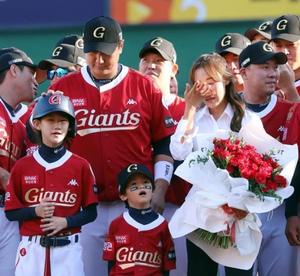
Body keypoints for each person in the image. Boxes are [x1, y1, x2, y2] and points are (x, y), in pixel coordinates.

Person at [47, 16, 175, 276]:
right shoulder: (63, 88)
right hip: (83, 206)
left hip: (134, 206)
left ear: (120, 46)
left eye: (105, 52)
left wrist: (160, 189)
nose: (99, 59)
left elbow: (163, 142)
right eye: (92, 52)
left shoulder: (144, 87)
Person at [170, 52, 259, 276]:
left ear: (227, 80)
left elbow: (261, 167)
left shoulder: (246, 118)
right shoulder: (196, 119)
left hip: (238, 214)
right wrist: (189, 110)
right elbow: (178, 152)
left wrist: (242, 204)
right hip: (201, 213)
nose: (207, 90)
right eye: (201, 85)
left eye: (212, 82)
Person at [4, 94, 98, 276]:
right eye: (50, 120)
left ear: (70, 125)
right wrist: (35, 211)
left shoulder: (81, 165)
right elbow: (10, 212)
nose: (57, 125)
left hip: (68, 248)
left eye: (63, 121)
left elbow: (91, 212)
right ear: (37, 124)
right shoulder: (23, 166)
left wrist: (66, 221)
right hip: (32, 250)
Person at [239, 41, 300, 276]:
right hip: (237, 211)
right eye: (264, 67)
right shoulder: (229, 109)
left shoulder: (290, 110)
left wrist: (292, 214)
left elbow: (297, 167)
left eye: (275, 67)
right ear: (244, 71)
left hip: (278, 211)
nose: (272, 73)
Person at [138, 36, 188, 276]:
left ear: (174, 69)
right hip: (137, 208)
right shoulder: (130, 109)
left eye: (159, 60)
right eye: (146, 60)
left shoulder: (187, 110)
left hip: (179, 208)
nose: (151, 65)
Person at [0, 47, 38, 276]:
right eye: (30, 72)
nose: (36, 80)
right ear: (13, 69)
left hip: (13, 214)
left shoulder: (31, 118)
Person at [103, 163, 176, 275]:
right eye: (134, 185)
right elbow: (111, 263)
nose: (141, 187)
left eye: (146, 183)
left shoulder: (163, 224)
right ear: (123, 195)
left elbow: (166, 267)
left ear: (153, 190)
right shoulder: (116, 224)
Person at [270, 14, 300, 100]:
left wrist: (289, 90)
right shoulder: (266, 82)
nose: (285, 52)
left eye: (291, 45)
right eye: (279, 46)